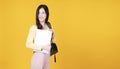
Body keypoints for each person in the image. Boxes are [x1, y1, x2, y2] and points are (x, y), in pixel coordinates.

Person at [26, 4, 55, 69]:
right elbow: (28, 44)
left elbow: (53, 41)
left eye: (43, 13)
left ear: (46, 14)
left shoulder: (49, 26)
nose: (40, 15)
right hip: (38, 56)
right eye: (39, 13)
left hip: (47, 57)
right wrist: (42, 47)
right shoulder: (34, 27)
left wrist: (53, 33)